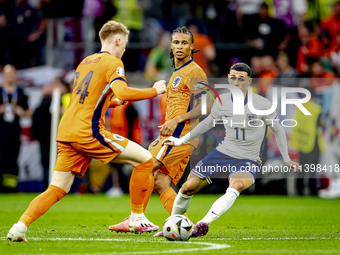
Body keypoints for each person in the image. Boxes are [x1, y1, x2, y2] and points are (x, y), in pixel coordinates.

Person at [7, 20, 166, 242]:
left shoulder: (85, 62)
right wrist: (154, 90)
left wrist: (112, 102)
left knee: (57, 188)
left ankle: (19, 227)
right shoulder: (114, 62)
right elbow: (123, 90)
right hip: (88, 131)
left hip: (67, 130)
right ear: (118, 40)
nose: (125, 48)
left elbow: (84, 99)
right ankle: (137, 218)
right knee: (146, 160)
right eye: (125, 43)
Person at [162, 63, 301, 237]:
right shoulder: (222, 102)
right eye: (233, 78)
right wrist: (180, 140)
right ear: (228, 78)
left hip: (248, 158)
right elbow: (207, 124)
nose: (236, 82)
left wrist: (286, 159)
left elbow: (278, 130)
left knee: (236, 185)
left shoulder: (262, 104)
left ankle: (203, 224)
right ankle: (172, 225)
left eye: (241, 79)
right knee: (187, 188)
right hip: (223, 153)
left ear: (249, 81)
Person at [109, 26, 210, 234]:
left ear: (192, 47)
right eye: (176, 42)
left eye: (184, 43)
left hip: (179, 136)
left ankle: (137, 219)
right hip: (175, 135)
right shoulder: (177, 71)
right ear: (171, 46)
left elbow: (206, 107)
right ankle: (184, 225)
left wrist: (178, 120)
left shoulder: (195, 72)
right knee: (160, 182)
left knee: (144, 165)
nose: (179, 46)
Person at [0, 64, 31, 193]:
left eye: (12, 74)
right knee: (1, 157)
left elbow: (29, 111)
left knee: (13, 158)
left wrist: (21, 111)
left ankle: (10, 186)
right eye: (8, 74)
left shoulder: (21, 93)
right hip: (1, 130)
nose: (10, 76)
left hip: (14, 131)